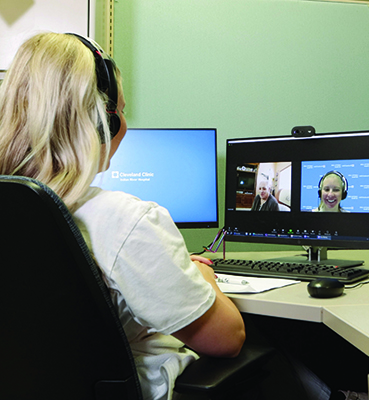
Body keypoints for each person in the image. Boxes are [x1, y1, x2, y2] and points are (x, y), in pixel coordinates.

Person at [0, 32, 245, 400]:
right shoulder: (125, 220)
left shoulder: (13, 210)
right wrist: (204, 276)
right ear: (103, 124)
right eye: (122, 111)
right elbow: (227, 339)